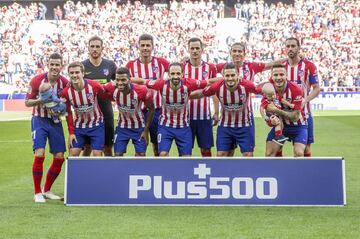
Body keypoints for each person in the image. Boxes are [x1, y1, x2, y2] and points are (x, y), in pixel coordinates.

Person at [132, 62, 215, 157]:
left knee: (186, 158)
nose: (175, 76)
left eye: (178, 73)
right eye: (173, 74)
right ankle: (165, 172)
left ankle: (181, 172)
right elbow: (143, 81)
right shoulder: (160, 84)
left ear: (182, 74)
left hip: (183, 127)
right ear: (168, 75)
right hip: (165, 127)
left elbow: (208, 82)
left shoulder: (189, 83)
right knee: (163, 154)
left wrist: (225, 79)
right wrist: (127, 80)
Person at [216, 42, 284, 156]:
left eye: (240, 51)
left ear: (244, 53)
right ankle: (228, 173)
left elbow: (270, 65)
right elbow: (205, 67)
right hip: (226, 120)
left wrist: (288, 58)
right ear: (230, 53)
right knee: (225, 154)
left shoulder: (251, 67)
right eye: (234, 51)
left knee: (248, 154)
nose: (237, 54)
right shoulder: (223, 67)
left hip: (245, 118)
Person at [190, 63, 262, 157]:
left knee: (248, 154)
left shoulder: (246, 85)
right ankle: (224, 172)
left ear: (237, 75)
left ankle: (246, 172)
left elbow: (261, 90)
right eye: (227, 76)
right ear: (223, 76)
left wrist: (270, 92)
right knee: (221, 155)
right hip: (225, 126)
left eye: (233, 75)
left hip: (245, 125)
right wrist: (185, 95)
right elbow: (201, 93)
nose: (230, 78)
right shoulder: (217, 86)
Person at [25, 53, 68, 203]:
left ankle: (47, 190)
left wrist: (60, 108)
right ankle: (37, 192)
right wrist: (42, 100)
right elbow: (27, 102)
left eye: (57, 64)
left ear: (62, 66)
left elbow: (66, 105)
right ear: (47, 65)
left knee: (59, 157)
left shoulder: (65, 83)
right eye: (52, 64)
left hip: (55, 122)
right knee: (40, 153)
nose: (55, 67)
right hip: (39, 120)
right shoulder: (37, 80)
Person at [126, 34, 169, 156]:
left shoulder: (161, 63)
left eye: (148, 45)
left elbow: (177, 71)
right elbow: (122, 79)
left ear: (153, 47)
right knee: (140, 147)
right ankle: (140, 171)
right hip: (138, 111)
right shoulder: (130, 65)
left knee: (158, 146)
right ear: (138, 47)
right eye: (142, 45)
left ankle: (158, 172)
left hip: (157, 110)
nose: (145, 48)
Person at [104, 67, 155, 156]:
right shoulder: (111, 87)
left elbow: (151, 109)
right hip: (122, 127)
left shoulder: (141, 90)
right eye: (117, 80)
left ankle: (137, 170)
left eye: (123, 80)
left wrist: (146, 130)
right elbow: (98, 88)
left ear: (129, 80)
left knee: (141, 155)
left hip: (139, 127)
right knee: (118, 154)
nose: (120, 83)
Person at [60, 62, 107, 157]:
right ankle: (78, 172)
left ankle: (97, 172)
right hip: (79, 127)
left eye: (77, 72)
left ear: (83, 73)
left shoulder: (94, 86)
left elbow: (106, 96)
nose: (74, 75)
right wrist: (71, 133)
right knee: (73, 154)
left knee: (97, 154)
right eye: (71, 73)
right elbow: (68, 113)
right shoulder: (65, 92)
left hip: (96, 125)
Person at [283, 37, 320, 157]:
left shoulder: (309, 66)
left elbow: (317, 88)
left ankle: (306, 175)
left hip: (304, 114)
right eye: (288, 46)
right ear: (285, 49)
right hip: (283, 115)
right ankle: (279, 172)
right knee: (276, 147)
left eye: (293, 46)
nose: (290, 48)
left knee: (305, 150)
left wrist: (305, 100)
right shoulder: (281, 66)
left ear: (299, 48)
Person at [82, 36, 117, 156]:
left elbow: (118, 83)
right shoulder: (82, 66)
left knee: (108, 148)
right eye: (92, 46)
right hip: (88, 113)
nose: (95, 49)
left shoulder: (110, 65)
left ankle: (109, 174)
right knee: (87, 148)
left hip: (106, 111)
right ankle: (84, 174)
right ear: (88, 48)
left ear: (102, 48)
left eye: (97, 46)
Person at [183, 37, 217, 157]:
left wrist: (216, 112)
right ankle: (185, 175)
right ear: (188, 49)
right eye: (192, 48)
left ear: (202, 50)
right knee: (186, 151)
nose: (195, 51)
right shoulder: (182, 67)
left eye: (197, 48)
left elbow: (214, 91)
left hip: (204, 116)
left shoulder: (210, 68)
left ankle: (208, 175)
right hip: (185, 118)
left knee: (206, 150)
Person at [264, 64, 307, 157]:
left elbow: (295, 117)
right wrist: (270, 119)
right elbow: (266, 109)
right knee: (269, 154)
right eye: (275, 75)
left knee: (299, 153)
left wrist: (277, 110)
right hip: (281, 126)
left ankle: (297, 171)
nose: (278, 77)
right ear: (271, 76)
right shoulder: (269, 88)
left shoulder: (296, 89)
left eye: (281, 74)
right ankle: (278, 170)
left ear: (286, 75)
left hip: (298, 125)